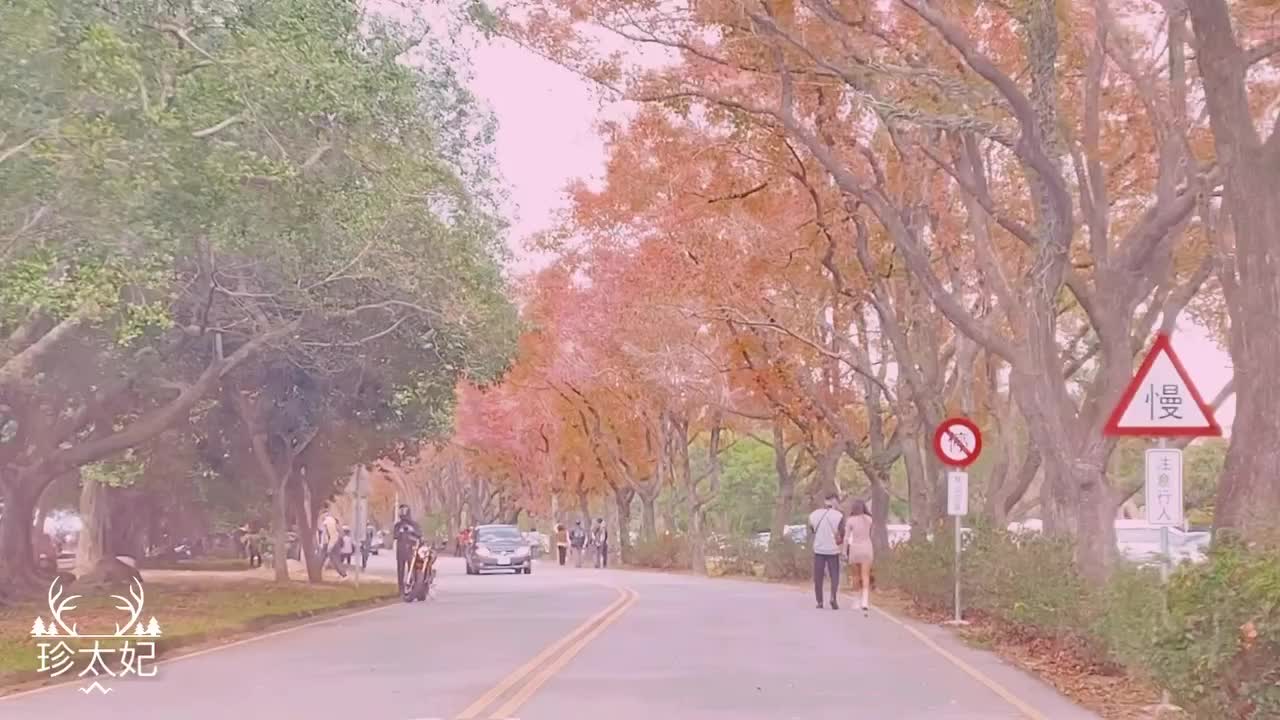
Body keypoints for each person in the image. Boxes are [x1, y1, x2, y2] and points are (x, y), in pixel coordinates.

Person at [808, 493, 845, 610]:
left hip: (819, 549)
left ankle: (819, 601)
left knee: (818, 576)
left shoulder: (814, 515)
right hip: (833, 550)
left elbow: (812, 530)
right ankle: (833, 597)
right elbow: (842, 532)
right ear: (834, 501)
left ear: (824, 501)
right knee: (834, 575)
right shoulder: (839, 515)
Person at [843, 500, 875, 615]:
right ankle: (865, 601)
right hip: (867, 548)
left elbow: (846, 538)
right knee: (865, 575)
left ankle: (856, 601)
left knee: (855, 576)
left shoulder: (850, 520)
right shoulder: (869, 519)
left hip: (855, 549)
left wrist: (843, 552)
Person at [392, 505, 423, 594]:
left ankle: (413, 587)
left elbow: (419, 534)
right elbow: (395, 536)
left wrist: (411, 531)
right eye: (401, 511)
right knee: (400, 570)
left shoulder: (414, 524)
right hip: (401, 550)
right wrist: (401, 531)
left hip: (411, 550)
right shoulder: (398, 525)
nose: (403, 513)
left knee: (412, 569)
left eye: (404, 511)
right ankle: (400, 589)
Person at [321, 512, 347, 578]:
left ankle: (343, 574)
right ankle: (317, 572)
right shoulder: (331, 521)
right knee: (324, 558)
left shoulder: (327, 522)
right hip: (331, 543)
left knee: (335, 559)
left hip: (331, 543)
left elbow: (332, 535)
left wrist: (329, 546)